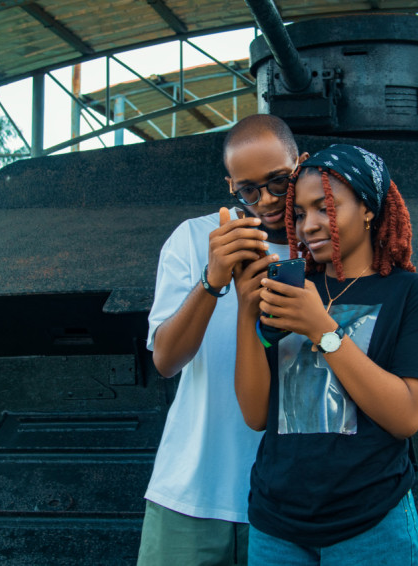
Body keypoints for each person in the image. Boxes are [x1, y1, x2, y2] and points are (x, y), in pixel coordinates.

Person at [233, 144, 418, 565]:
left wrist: (324, 330)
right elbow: (257, 415)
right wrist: (245, 309)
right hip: (277, 527)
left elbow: (406, 417)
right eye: (299, 214)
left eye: (325, 207)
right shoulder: (292, 288)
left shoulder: (410, 294)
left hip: (370, 525)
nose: (309, 225)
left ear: (367, 208)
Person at [137, 114, 308, 566]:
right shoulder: (194, 239)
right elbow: (166, 360)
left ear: (301, 165)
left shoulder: (326, 247)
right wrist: (214, 279)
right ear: (230, 184)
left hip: (289, 501)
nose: (266, 201)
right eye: (248, 190)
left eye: (279, 182)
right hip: (191, 492)